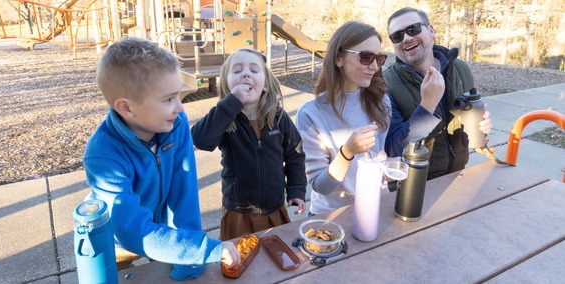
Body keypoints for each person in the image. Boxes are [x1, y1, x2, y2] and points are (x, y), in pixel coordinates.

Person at [83, 37, 240, 281]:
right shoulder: (102, 154)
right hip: (116, 239)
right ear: (126, 108)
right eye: (169, 99)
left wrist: (192, 260)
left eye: (178, 96)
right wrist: (204, 249)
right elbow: (132, 230)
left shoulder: (175, 127)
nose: (181, 108)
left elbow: (183, 193)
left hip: (162, 229)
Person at [191, 48, 307, 240]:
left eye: (254, 70)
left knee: (277, 256)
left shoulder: (278, 117)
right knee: (239, 262)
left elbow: (295, 154)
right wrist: (231, 104)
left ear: (266, 85)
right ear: (227, 86)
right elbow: (200, 139)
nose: (245, 73)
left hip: (274, 209)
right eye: (237, 71)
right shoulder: (225, 118)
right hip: (238, 212)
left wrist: (296, 190)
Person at [384, 7, 492, 180]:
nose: (407, 38)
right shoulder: (386, 83)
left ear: (431, 30)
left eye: (413, 29)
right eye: (397, 36)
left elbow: (470, 121)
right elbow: (394, 148)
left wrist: (481, 128)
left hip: (458, 174)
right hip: (413, 185)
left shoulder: (460, 68)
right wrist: (427, 107)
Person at [295, 21, 392, 216]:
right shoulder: (310, 114)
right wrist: (347, 152)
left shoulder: (381, 101)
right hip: (332, 216)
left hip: (378, 207)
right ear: (339, 58)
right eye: (366, 57)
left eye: (379, 58)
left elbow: (381, 158)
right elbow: (320, 186)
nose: (374, 66)